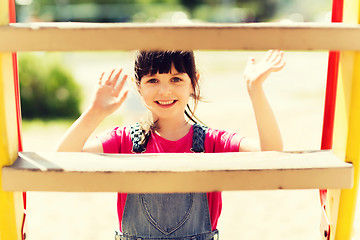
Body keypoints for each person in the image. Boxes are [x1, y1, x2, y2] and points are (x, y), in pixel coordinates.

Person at [56, 50, 285, 240]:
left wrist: (255, 89)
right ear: (139, 87)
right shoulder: (125, 139)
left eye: (176, 79)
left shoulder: (211, 141)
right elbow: (62, 158)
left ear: (193, 82)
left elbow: (272, 152)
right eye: (153, 80)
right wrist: (95, 112)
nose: (164, 90)